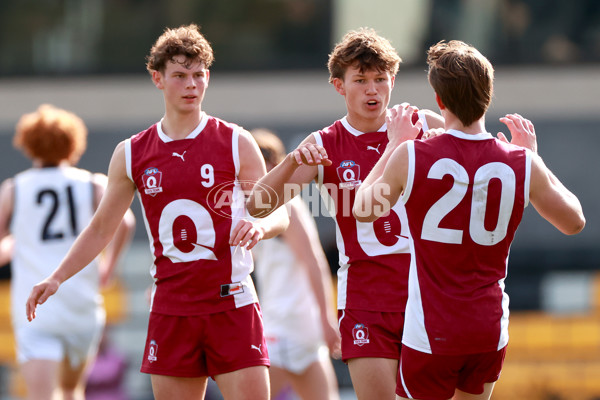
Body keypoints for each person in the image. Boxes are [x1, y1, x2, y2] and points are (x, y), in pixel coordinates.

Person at [25, 24, 288, 400]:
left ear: (208, 78)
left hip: (232, 303)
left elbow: (280, 214)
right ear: (157, 78)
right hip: (172, 310)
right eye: (179, 76)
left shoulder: (236, 141)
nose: (191, 85)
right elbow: (101, 228)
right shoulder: (132, 152)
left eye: (198, 75)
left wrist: (259, 226)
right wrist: (57, 277)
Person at [353, 40, 586, 400]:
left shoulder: (411, 155)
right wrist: (533, 160)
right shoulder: (521, 163)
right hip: (488, 329)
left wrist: (393, 145)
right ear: (488, 96)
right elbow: (574, 222)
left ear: (440, 100)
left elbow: (362, 209)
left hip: (431, 330)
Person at [246, 28, 444, 400]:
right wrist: (291, 164)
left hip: (425, 292)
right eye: (361, 80)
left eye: (380, 79)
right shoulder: (324, 144)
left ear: (393, 80)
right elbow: (257, 205)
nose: (373, 90)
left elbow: (476, 152)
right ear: (339, 86)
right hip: (366, 299)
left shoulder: (424, 124)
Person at [0, 104, 136, 400]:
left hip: (35, 308)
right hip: (81, 304)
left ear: (28, 143)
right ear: (73, 143)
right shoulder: (92, 183)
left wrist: (16, 244)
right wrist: (108, 268)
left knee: (41, 396)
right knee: (73, 391)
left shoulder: (15, 188)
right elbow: (125, 222)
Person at [250, 128, 341, 400]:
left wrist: (326, 320)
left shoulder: (288, 206)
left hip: (291, 326)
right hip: (283, 324)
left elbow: (314, 261)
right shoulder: (254, 206)